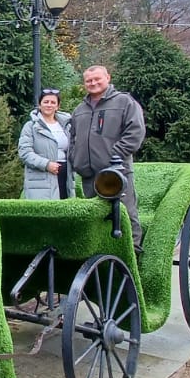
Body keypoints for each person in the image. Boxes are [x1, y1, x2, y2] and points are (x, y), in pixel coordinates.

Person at [67, 65, 146, 255]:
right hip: (88, 176)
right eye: (89, 80)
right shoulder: (79, 110)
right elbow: (72, 138)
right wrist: (76, 158)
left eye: (97, 79)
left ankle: (132, 254)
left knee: (125, 214)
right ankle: (101, 259)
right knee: (96, 218)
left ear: (108, 78)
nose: (93, 83)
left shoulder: (124, 102)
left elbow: (135, 133)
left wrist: (114, 157)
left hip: (116, 174)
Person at [18, 89, 76, 200]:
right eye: (46, 102)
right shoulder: (30, 127)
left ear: (58, 106)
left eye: (53, 102)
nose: (49, 105)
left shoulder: (67, 126)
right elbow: (25, 153)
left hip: (65, 175)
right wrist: (46, 164)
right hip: (41, 177)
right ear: (40, 105)